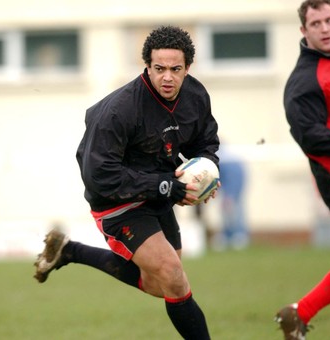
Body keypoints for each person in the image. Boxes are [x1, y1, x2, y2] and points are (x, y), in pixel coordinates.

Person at [34, 25, 220, 339]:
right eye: (159, 68)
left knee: (160, 284)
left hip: (157, 192)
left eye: (176, 69)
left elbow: (205, 143)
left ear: (189, 67)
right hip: (116, 200)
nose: (167, 77)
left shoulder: (195, 96)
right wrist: (165, 186)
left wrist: (205, 175)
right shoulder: (119, 110)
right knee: (173, 276)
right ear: (146, 66)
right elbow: (100, 174)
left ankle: (71, 252)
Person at [274, 1, 330, 339]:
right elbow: (312, 139)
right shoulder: (302, 83)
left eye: (329, 20)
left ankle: (298, 314)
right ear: (304, 31)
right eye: (316, 23)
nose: (325, 28)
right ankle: (300, 312)